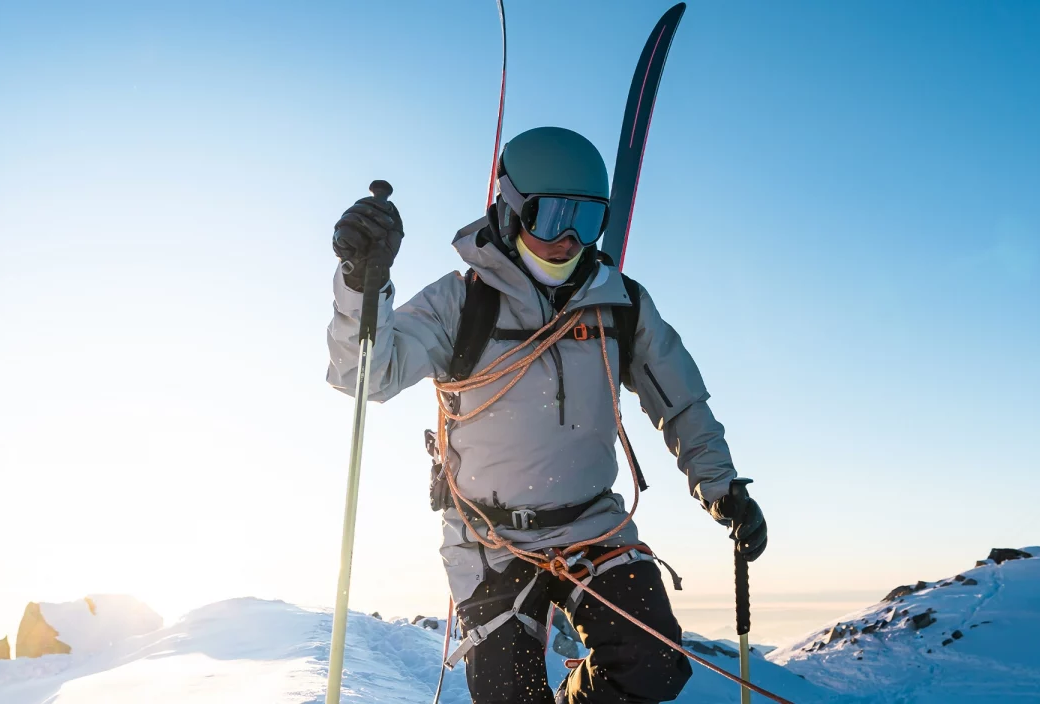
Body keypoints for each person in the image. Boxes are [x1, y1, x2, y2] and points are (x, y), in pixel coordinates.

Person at [327, 126, 767, 704]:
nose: (567, 239)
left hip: (592, 524)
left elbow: (681, 400)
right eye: (550, 216)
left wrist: (720, 485)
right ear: (510, 213)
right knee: (509, 694)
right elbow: (366, 375)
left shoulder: (621, 305)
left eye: (586, 220)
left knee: (654, 665)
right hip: (488, 537)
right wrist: (363, 283)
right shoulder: (461, 303)